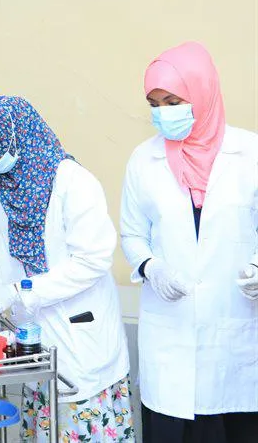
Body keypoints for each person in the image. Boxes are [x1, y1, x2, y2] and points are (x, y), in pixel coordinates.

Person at [0, 95, 133, 442]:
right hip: (37, 345)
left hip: (82, 337)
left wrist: (19, 291)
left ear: (16, 138)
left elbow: (93, 260)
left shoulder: (73, 182)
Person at [120, 41, 258, 443]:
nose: (163, 113)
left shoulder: (249, 152)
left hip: (234, 329)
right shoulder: (143, 160)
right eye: (155, 103)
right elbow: (132, 232)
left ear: (202, 92)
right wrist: (151, 267)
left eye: (173, 100)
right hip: (171, 332)